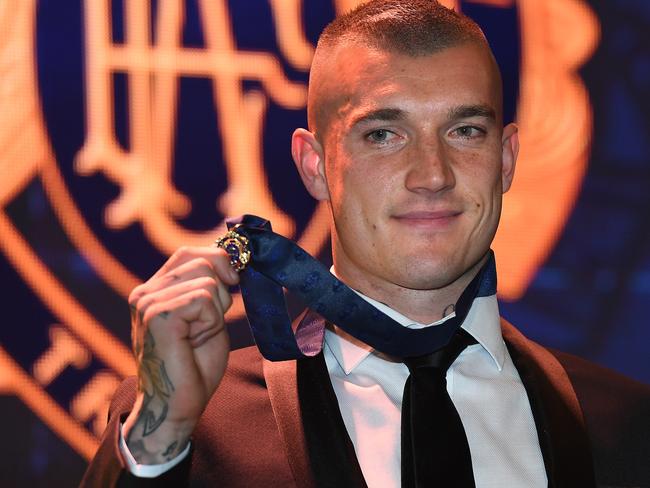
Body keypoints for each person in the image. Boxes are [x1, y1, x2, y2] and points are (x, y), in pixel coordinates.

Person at [81, 1, 650, 487]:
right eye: (383, 134)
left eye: (464, 131)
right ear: (315, 166)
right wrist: (161, 435)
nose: (433, 174)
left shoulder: (623, 424)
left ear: (505, 160)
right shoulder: (196, 425)